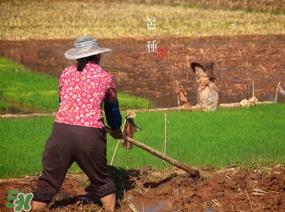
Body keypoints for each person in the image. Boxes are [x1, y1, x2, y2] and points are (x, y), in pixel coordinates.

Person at [31, 36, 123, 211]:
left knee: (48, 181)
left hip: (61, 133)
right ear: (97, 56)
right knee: (102, 180)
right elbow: (112, 109)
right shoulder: (104, 77)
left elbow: (62, 102)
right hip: (89, 136)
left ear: (77, 57)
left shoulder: (66, 74)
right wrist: (116, 128)